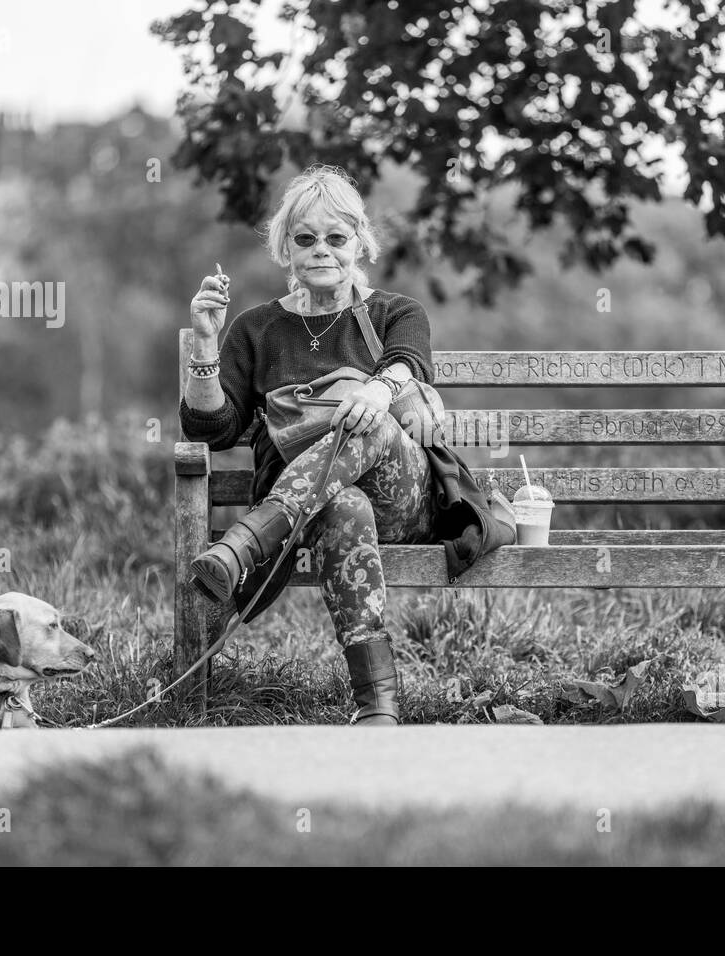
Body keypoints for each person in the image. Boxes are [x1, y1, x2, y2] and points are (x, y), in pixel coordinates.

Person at [179, 164, 515, 726]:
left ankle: (245, 544)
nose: (322, 251)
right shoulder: (255, 329)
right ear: (286, 247)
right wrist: (208, 345)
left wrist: (376, 391)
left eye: (336, 238)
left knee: (373, 422)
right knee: (344, 504)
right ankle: (377, 704)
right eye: (305, 239)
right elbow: (210, 431)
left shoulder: (396, 312)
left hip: (402, 501)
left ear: (360, 240)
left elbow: (408, 363)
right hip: (319, 509)